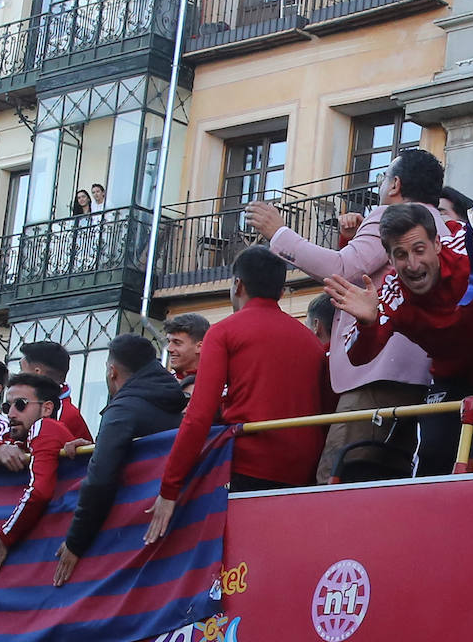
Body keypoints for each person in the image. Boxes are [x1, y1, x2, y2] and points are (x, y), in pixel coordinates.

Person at [246, 149, 453, 482]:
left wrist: (280, 233)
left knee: (338, 476)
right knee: (388, 482)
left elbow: (343, 269)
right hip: (420, 378)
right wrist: (351, 238)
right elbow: (373, 272)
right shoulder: (441, 225)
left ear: (396, 184)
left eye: (384, 178)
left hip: (374, 375)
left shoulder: (393, 214)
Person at [325, 203, 473, 477]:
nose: (413, 264)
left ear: (438, 245)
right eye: (401, 255)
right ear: (390, 260)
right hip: (452, 380)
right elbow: (358, 357)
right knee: (433, 455)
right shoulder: (390, 294)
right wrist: (367, 323)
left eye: (419, 250)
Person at [147, 247, 327, 541]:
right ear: (281, 292)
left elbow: (198, 415)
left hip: (247, 467)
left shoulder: (224, 332)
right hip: (303, 470)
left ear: (237, 285)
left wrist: (169, 488)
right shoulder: (310, 340)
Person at [53, 335, 187, 586]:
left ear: (112, 372)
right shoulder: (172, 402)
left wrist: (75, 542)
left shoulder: (123, 409)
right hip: (177, 527)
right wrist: (96, 448)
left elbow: (100, 480)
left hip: (133, 535)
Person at [0, 374, 73, 577]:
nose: (11, 413)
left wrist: (4, 538)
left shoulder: (44, 426)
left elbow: (39, 491)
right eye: (6, 406)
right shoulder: (19, 434)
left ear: (47, 408)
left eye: (20, 404)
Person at [17, 341, 94, 442]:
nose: (18, 375)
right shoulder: (32, 405)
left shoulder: (65, 415)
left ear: (37, 373)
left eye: (21, 369)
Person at [163, 313, 210, 383]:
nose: (169, 349)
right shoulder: (161, 384)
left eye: (177, 342)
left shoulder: (221, 386)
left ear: (200, 347)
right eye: (168, 341)